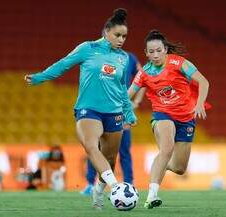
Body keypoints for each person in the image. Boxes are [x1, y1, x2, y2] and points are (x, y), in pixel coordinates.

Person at [24, 8, 137, 210]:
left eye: (124, 36)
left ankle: (98, 192)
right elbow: (64, 64)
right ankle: (116, 188)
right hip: (88, 110)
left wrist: (128, 111)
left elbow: (122, 87)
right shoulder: (88, 48)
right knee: (92, 147)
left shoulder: (124, 58)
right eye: (117, 35)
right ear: (106, 31)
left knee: (110, 159)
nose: (121, 40)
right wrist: (40, 76)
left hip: (114, 112)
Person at [128, 30, 210, 209]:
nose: (155, 55)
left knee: (180, 168)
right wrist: (127, 112)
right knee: (167, 148)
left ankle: (160, 164)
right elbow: (128, 96)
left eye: (159, 50)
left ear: (165, 49)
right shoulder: (143, 74)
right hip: (162, 115)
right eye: (151, 52)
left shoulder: (178, 63)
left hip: (186, 117)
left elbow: (204, 82)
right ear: (146, 53)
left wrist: (200, 104)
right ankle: (151, 196)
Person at [80, 52, 145, 196]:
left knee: (123, 149)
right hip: (98, 108)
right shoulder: (97, 55)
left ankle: (128, 184)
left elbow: (143, 76)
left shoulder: (130, 58)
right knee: (96, 148)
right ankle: (90, 184)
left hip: (119, 109)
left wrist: (136, 102)